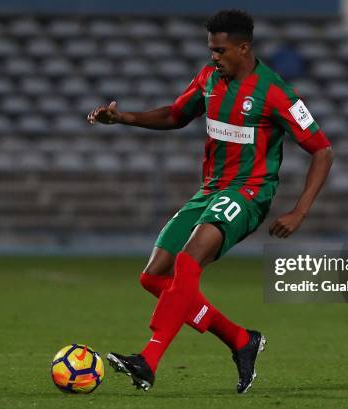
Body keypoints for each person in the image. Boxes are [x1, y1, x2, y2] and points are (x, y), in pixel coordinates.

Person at [87, 9, 334, 394]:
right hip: (210, 190)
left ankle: (148, 360)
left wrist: (299, 210)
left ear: (243, 47)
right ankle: (240, 339)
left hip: (249, 193)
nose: (213, 57)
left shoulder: (276, 93)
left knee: (188, 260)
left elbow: (322, 151)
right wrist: (125, 118)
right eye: (211, 49)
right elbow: (175, 114)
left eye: (219, 50)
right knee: (154, 277)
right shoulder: (208, 78)